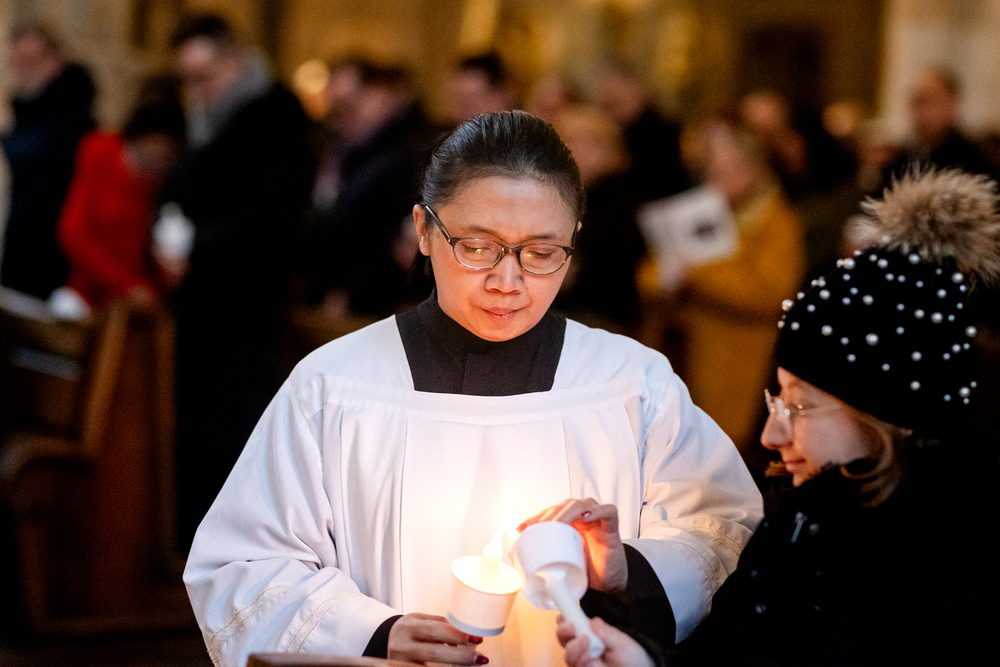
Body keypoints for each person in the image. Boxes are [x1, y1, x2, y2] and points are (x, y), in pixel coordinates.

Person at [183, 111, 763, 667]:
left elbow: (723, 529)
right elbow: (244, 568)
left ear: (574, 240)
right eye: (478, 247)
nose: (507, 281)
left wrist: (626, 570)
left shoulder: (630, 384)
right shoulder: (334, 387)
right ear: (423, 230)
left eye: (542, 253)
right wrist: (374, 634)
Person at [552, 168, 1000, 666]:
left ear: (890, 417)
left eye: (800, 405)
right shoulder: (799, 522)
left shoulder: (962, 574)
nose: (771, 434)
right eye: (777, 400)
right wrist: (642, 648)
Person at [162, 13, 315, 549]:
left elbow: (273, 216)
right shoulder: (206, 115)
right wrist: (171, 233)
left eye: (205, 75)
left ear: (235, 60)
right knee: (197, 433)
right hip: (201, 305)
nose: (197, 89)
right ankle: (196, 550)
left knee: (234, 434)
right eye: (188, 79)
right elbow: (184, 186)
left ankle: (232, 552)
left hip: (248, 309)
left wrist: (196, 245)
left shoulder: (277, 114)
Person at [305, 56, 441, 316]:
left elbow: (395, 239)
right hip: (334, 290)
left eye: (350, 105)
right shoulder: (346, 151)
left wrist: (351, 293)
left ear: (379, 93)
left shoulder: (409, 152)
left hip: (374, 302)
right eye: (335, 108)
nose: (342, 117)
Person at [56, 81, 185, 311]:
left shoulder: (171, 181)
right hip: (87, 293)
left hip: (139, 305)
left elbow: (164, 247)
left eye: (165, 159)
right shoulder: (99, 151)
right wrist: (128, 286)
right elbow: (73, 232)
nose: (156, 166)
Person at [0, 23, 95, 299]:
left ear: (55, 61)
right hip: (18, 252)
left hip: (49, 255)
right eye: (17, 63)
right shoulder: (22, 113)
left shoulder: (73, 121)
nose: (24, 71)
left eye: (31, 61)